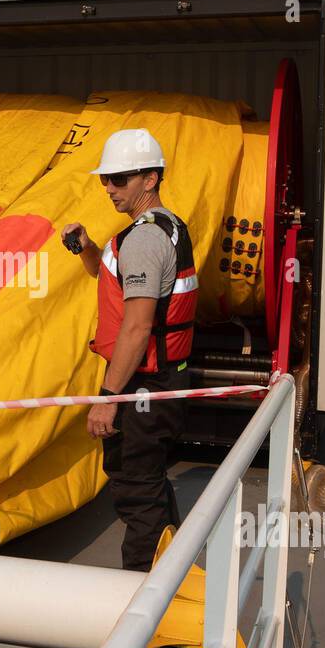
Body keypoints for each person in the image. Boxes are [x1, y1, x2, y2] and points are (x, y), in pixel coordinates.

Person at [62, 129, 198, 572]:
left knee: (137, 492)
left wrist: (108, 398)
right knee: (148, 483)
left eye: (119, 179)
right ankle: (174, 576)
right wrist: (87, 249)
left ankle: (144, 608)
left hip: (143, 385)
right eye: (106, 179)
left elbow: (137, 327)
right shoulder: (165, 228)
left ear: (150, 179)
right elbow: (120, 280)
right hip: (159, 380)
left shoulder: (143, 239)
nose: (109, 188)